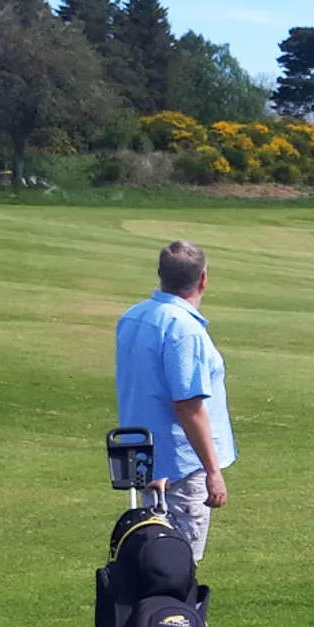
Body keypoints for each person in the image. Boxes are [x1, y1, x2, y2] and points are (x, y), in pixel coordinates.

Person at [115, 240, 235, 563]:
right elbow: (189, 406)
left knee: (152, 561)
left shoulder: (133, 317)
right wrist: (213, 471)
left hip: (146, 462)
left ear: (160, 274)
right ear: (204, 279)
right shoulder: (184, 330)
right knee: (179, 568)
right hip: (181, 468)